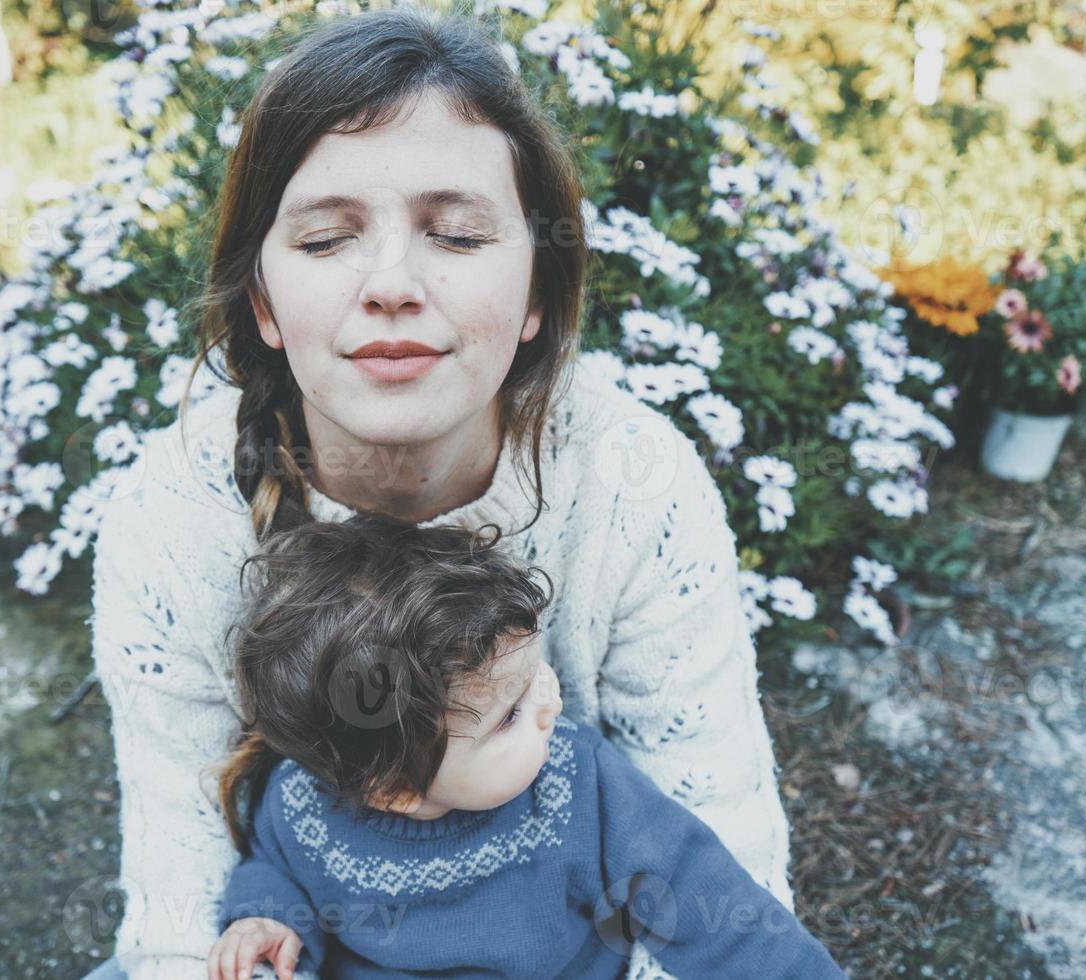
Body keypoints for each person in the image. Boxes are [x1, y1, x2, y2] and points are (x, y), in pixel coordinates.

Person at [88, 6, 794, 979]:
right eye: (328, 238)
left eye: (457, 234)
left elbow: (722, 868)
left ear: (540, 291)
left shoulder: (637, 483)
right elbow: (180, 899)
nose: (390, 284)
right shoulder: (172, 517)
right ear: (263, 301)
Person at [203, 515, 845, 980]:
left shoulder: (577, 782)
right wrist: (266, 922)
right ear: (394, 790)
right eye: (510, 716)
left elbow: (699, 891)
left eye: (536, 676)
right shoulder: (302, 806)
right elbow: (272, 868)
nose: (551, 703)